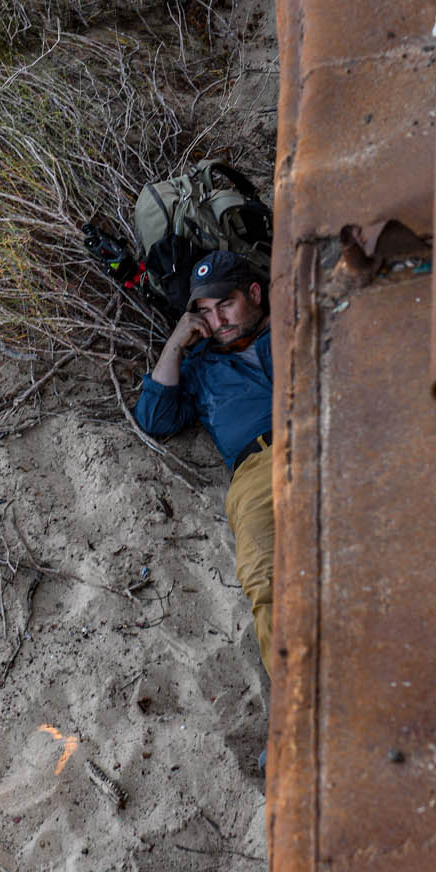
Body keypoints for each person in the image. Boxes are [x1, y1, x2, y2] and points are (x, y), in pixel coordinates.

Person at [135, 250, 273, 676]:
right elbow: (154, 419)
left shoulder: (292, 323)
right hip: (257, 471)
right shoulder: (200, 367)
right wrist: (177, 343)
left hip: (327, 438)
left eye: (226, 304)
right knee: (266, 580)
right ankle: (300, 709)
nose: (218, 321)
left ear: (254, 293)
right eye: (207, 313)